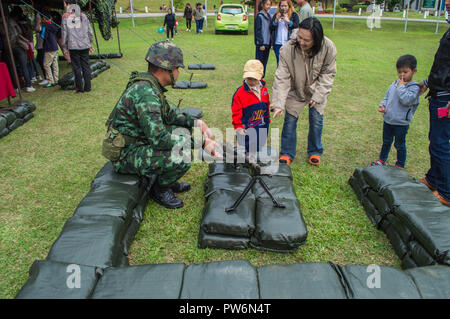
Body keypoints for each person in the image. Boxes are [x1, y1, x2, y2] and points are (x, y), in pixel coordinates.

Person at [102, 41, 220, 209]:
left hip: (137, 143)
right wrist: (202, 143)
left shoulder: (150, 86)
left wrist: (196, 122)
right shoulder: (146, 93)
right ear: (166, 69)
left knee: (183, 132)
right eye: (177, 68)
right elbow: (160, 139)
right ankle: (160, 189)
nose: (179, 72)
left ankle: (166, 180)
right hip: (125, 154)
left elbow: (168, 114)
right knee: (182, 154)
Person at [271, 17, 337, 166]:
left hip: (317, 88)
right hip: (296, 89)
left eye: (306, 40)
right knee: (290, 120)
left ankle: (315, 151)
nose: (301, 41)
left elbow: (328, 73)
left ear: (317, 39)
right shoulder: (287, 49)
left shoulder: (328, 47)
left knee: (316, 120)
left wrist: (319, 94)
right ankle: (287, 153)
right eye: (299, 37)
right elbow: (282, 77)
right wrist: (279, 103)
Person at [418, 0, 450, 206]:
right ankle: (433, 179)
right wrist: (428, 82)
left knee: (441, 144)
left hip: (446, 97)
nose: (446, 2)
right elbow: (443, 63)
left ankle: (447, 192)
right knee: (435, 139)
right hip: (438, 92)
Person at [370, 55, 420, 169]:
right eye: (399, 72)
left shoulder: (414, 88)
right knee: (386, 141)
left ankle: (400, 165)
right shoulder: (394, 84)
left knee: (399, 144)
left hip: (401, 123)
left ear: (414, 71)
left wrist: (401, 87)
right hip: (388, 120)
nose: (402, 75)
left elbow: (406, 100)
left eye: (405, 72)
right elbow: (387, 97)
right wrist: (383, 105)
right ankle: (382, 160)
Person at [231, 59, 271, 153]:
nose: (252, 82)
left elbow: (266, 104)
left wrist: (267, 118)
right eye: (249, 79)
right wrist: (239, 126)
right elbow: (236, 111)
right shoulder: (239, 93)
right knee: (247, 143)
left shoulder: (263, 89)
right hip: (247, 124)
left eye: (255, 79)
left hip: (262, 122)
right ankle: (244, 158)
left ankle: (257, 155)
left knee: (260, 140)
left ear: (260, 76)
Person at [61, 0, 94, 93]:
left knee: (77, 67)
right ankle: (87, 87)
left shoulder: (66, 18)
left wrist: (64, 47)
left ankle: (80, 88)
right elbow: (90, 32)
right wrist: (89, 42)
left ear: (68, 5)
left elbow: (64, 34)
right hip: (83, 45)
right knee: (85, 66)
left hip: (74, 46)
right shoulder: (83, 16)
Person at [8, 6, 35, 92]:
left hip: (8, 47)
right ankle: (28, 85)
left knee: (13, 67)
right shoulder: (14, 23)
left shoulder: (5, 22)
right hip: (17, 46)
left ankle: (16, 87)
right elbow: (16, 35)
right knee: (24, 66)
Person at [271, 0, 299, 65]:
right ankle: (280, 75)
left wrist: (288, 21)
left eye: (285, 6)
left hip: (289, 42)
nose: (283, 8)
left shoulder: (294, 15)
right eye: (282, 6)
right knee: (279, 62)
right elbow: (271, 28)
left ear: (289, 6)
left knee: (289, 63)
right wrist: (276, 20)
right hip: (278, 43)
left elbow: (296, 26)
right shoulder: (276, 15)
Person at [254, 0, 272, 78]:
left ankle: (262, 77)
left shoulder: (269, 16)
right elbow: (258, 31)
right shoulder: (259, 16)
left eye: (269, 5)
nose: (268, 6)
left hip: (267, 43)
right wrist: (260, 43)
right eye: (267, 4)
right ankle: (257, 77)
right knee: (259, 62)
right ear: (263, 5)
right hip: (261, 43)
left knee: (265, 62)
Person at [41, 12, 59, 88]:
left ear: (44, 19)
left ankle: (50, 81)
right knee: (55, 63)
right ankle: (56, 79)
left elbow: (43, 36)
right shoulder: (53, 25)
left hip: (49, 47)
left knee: (46, 64)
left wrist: (40, 31)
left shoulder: (45, 26)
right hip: (55, 46)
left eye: (42, 18)